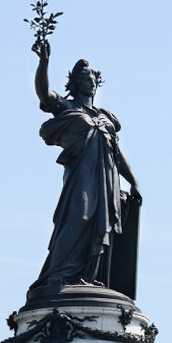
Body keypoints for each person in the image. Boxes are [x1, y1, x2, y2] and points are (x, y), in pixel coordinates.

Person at [29, 39, 142, 295]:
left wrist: (133, 181)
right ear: (75, 83)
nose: (89, 80)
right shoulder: (67, 108)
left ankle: (89, 276)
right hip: (81, 176)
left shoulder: (106, 117)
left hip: (107, 179)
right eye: (83, 77)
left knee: (102, 226)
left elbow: (116, 152)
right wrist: (44, 62)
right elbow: (43, 94)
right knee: (78, 217)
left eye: (92, 77)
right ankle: (59, 274)